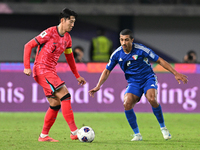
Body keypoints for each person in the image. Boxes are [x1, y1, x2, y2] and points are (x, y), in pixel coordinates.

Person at [89, 29, 188, 141]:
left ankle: (163, 128)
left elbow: (159, 60)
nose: (123, 43)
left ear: (132, 40)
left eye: (126, 40)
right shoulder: (117, 54)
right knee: (127, 103)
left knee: (152, 98)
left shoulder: (141, 50)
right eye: (121, 40)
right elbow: (107, 71)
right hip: (133, 82)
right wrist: (98, 86)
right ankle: (137, 134)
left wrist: (175, 73)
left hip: (148, 78)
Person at [23, 8, 86, 142]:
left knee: (55, 103)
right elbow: (28, 46)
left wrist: (77, 75)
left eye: (74, 22)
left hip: (50, 71)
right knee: (65, 94)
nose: (73, 25)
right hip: (41, 69)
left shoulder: (67, 39)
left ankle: (43, 136)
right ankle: (74, 132)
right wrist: (27, 67)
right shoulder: (49, 33)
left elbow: (70, 58)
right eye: (71, 21)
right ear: (63, 20)